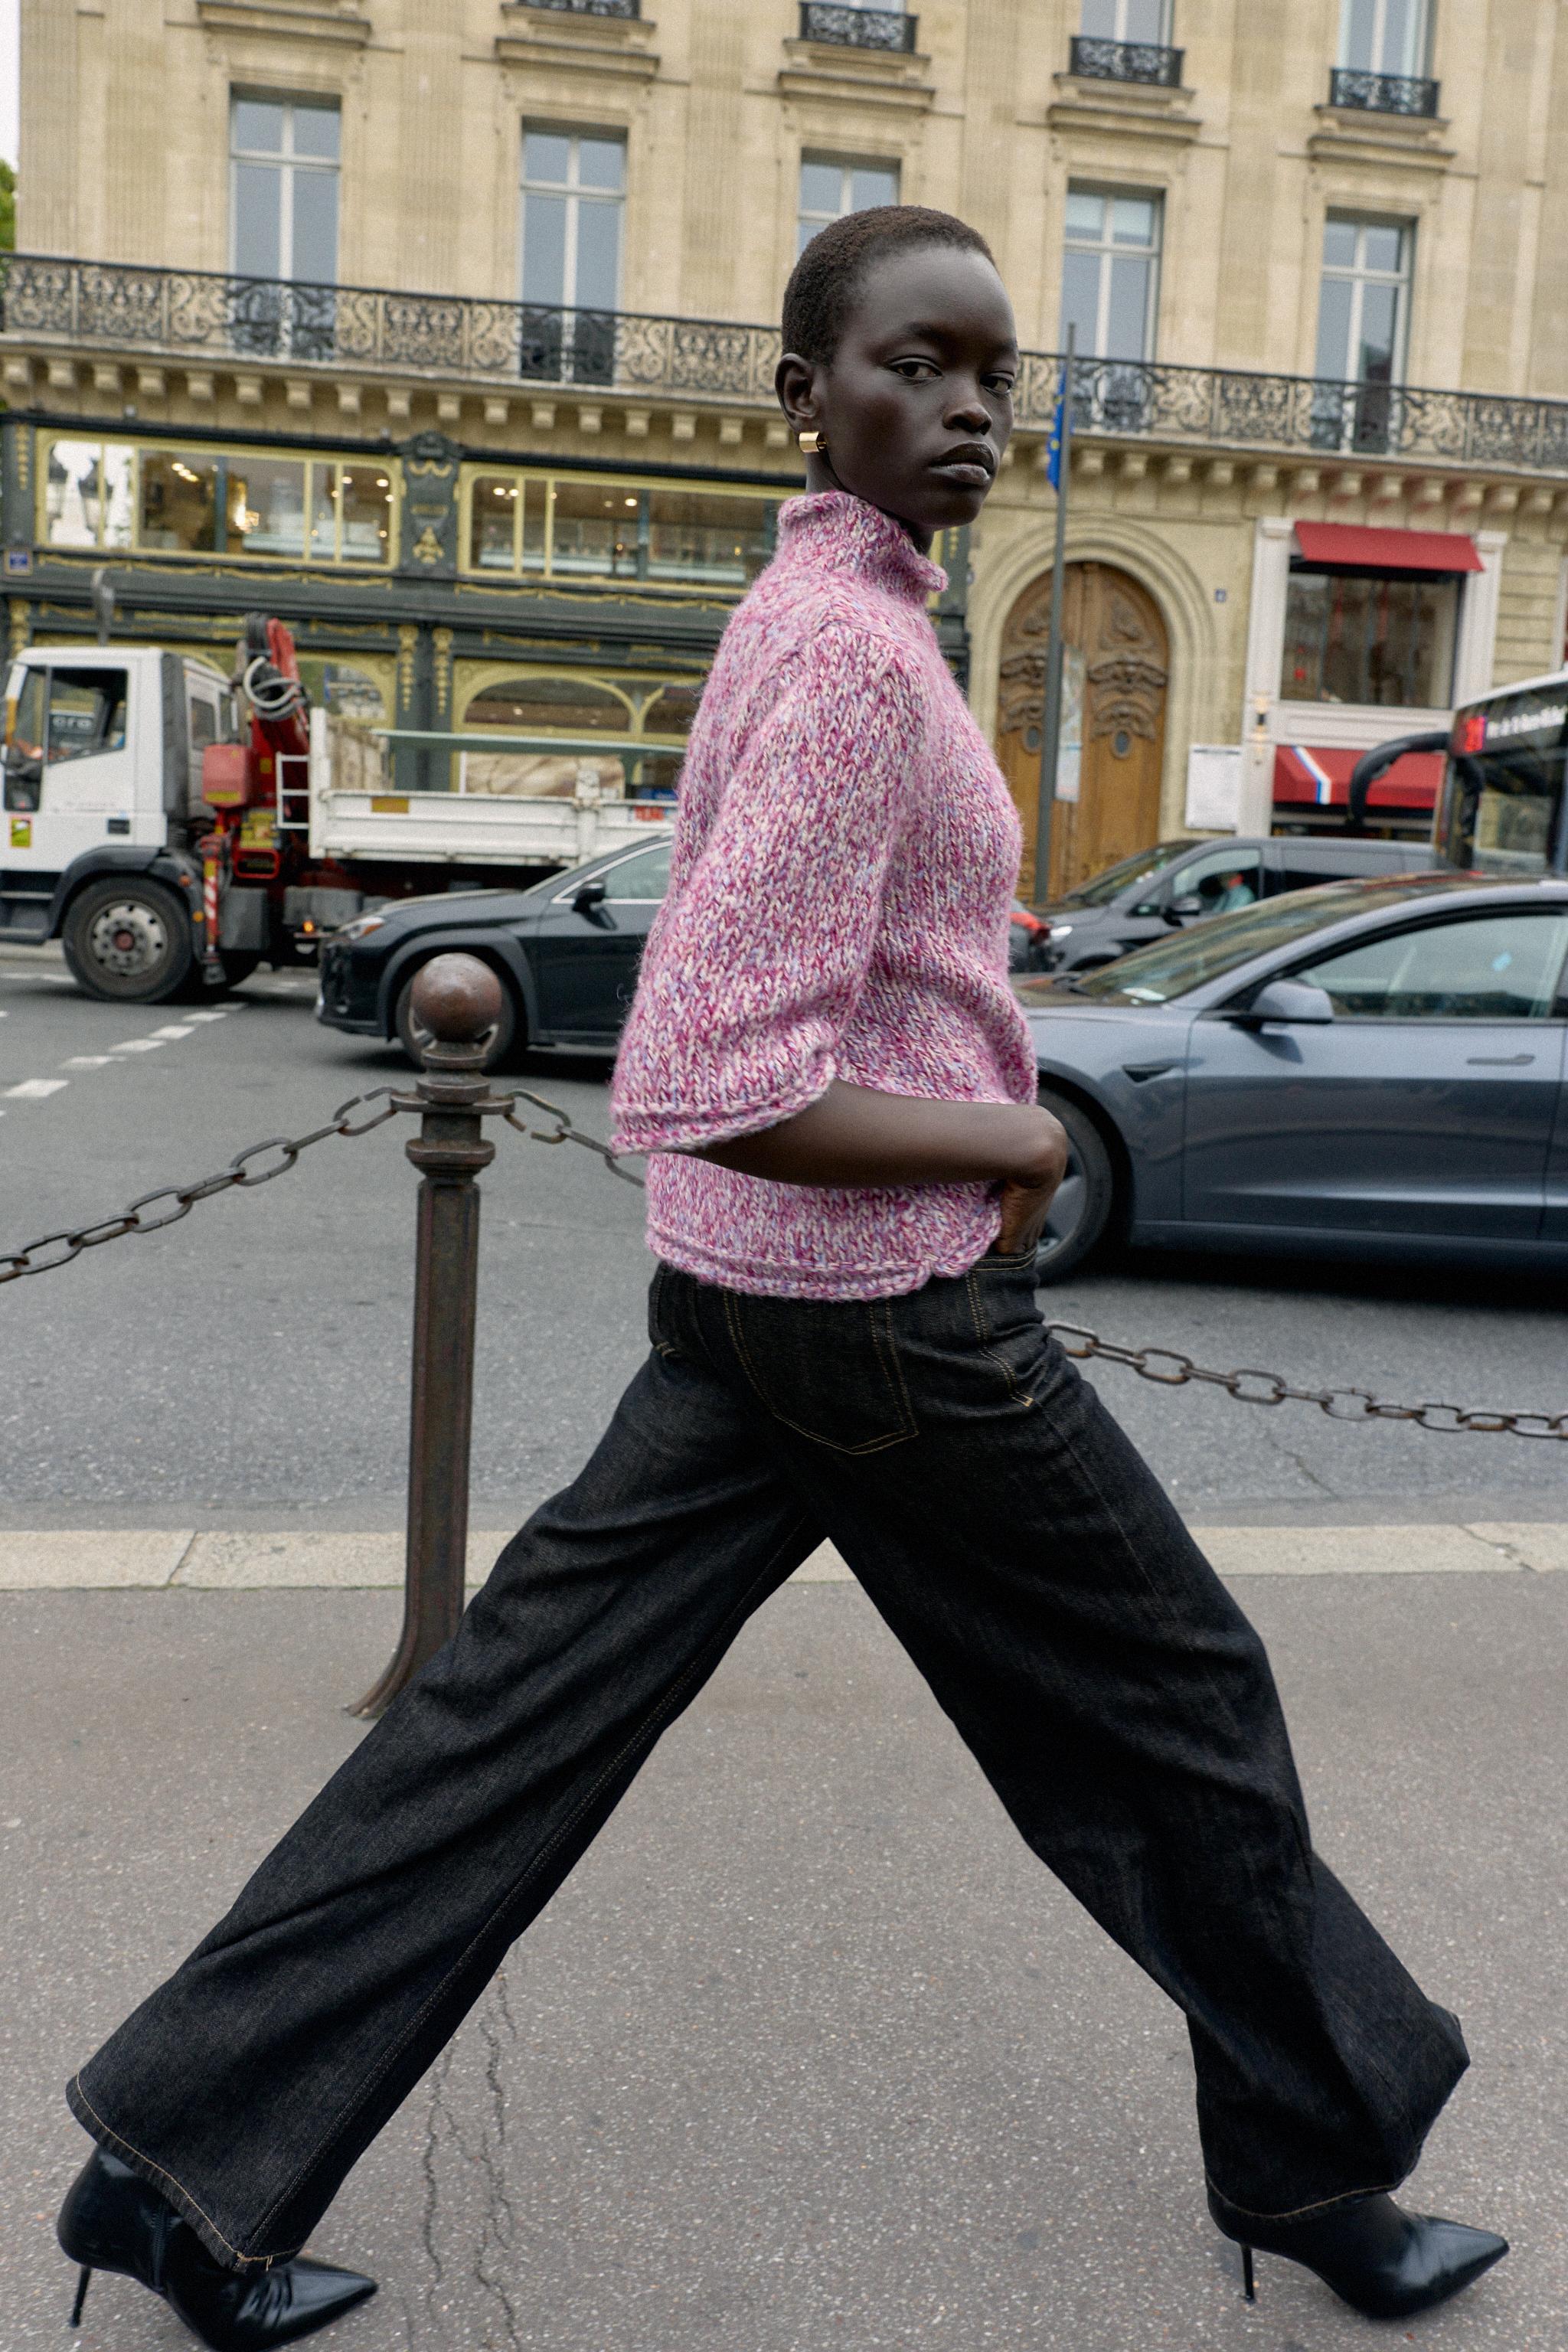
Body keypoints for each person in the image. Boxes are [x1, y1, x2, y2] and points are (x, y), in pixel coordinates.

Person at [56, 207, 1506, 2347]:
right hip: (893, 1319)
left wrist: (954, 991)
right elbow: (715, 1074)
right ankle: (1313, 2162)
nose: (971, 413)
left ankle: (177, 2169)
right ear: (803, 393)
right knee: (1183, 1716)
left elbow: (768, 1000)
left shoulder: (807, 617)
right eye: (917, 367)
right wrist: (1014, 1128)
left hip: (745, 1310)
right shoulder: (851, 657)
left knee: (494, 1739)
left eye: (998, 377)